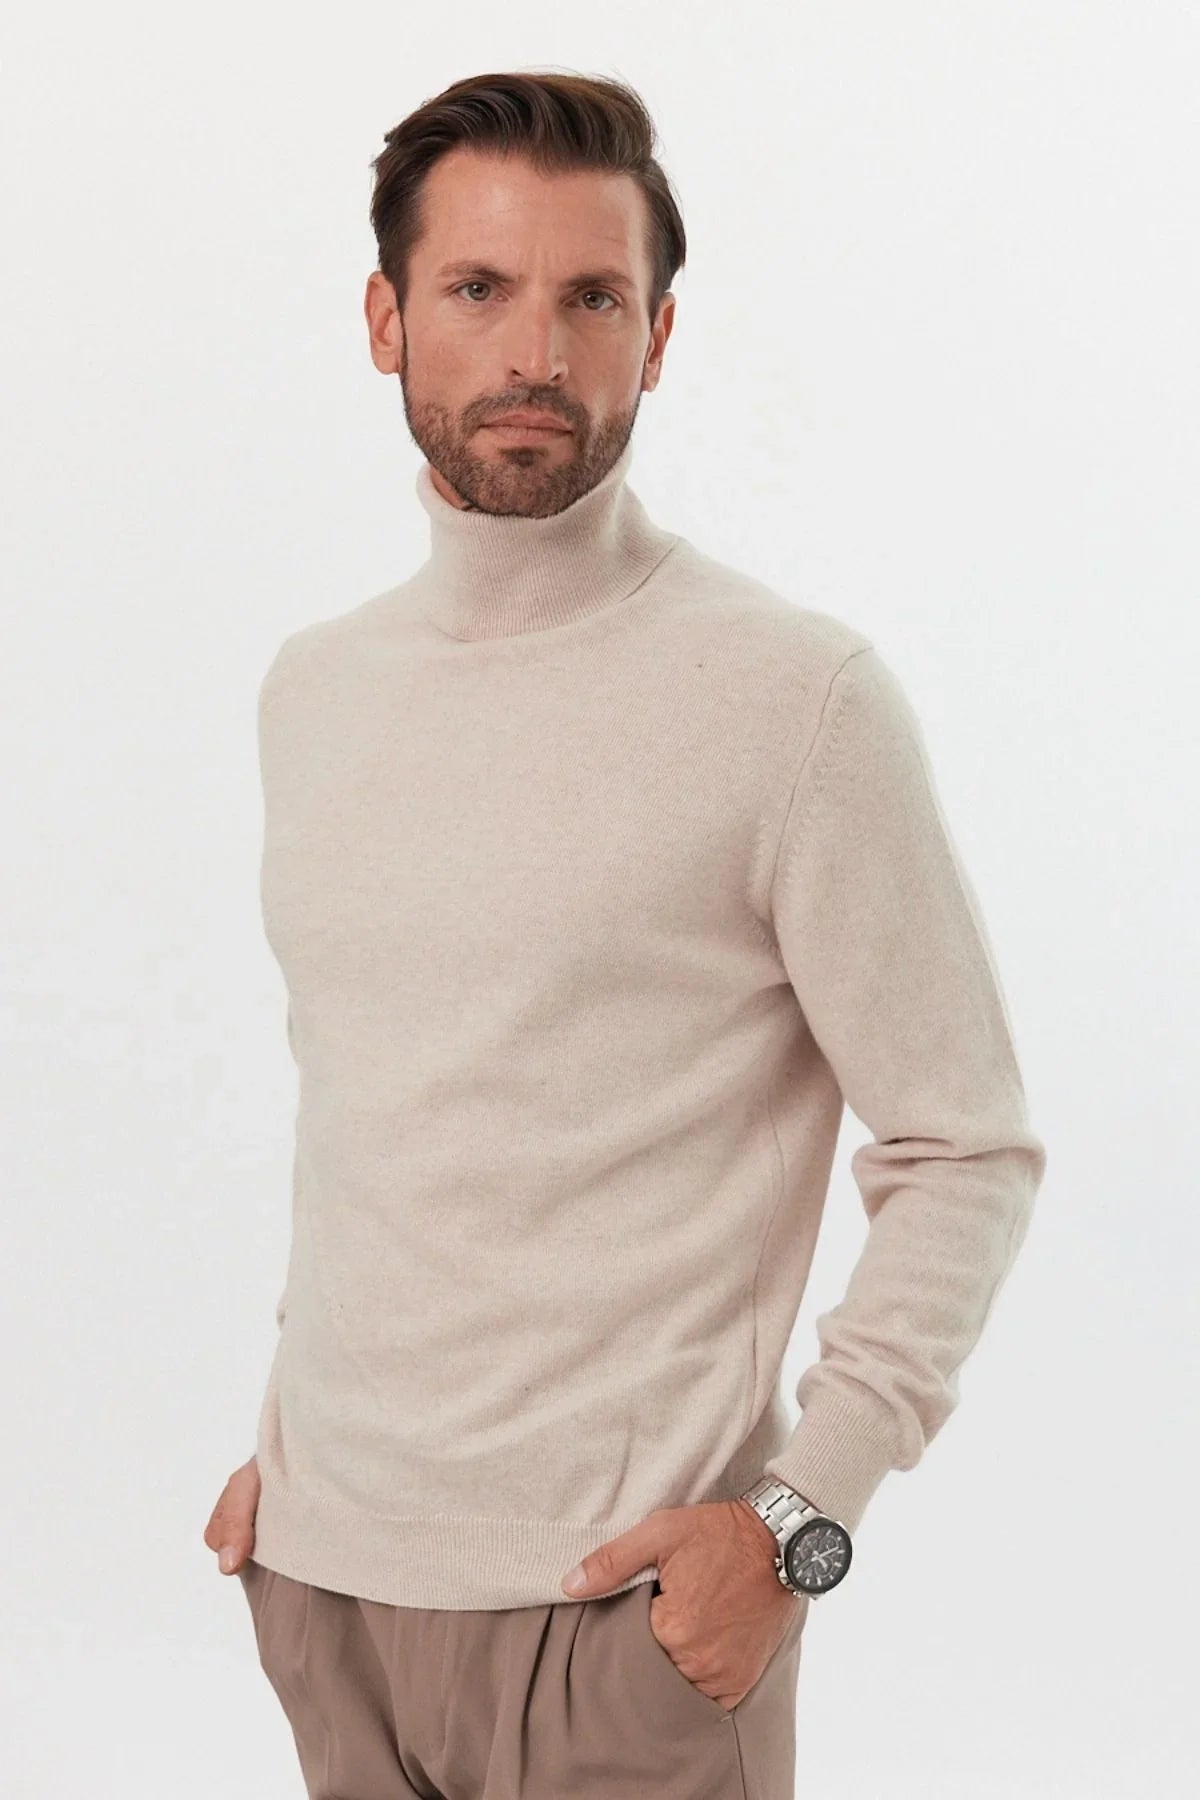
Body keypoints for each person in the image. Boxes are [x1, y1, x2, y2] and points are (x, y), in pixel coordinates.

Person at [202, 68, 1047, 1800]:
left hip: (625, 1624)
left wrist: (797, 1522)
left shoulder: (793, 700)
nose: (537, 351)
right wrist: (299, 1454)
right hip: (326, 1588)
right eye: (478, 288)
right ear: (386, 320)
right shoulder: (315, 692)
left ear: (656, 338)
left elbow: (967, 1148)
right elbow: (380, 1111)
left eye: (593, 297)